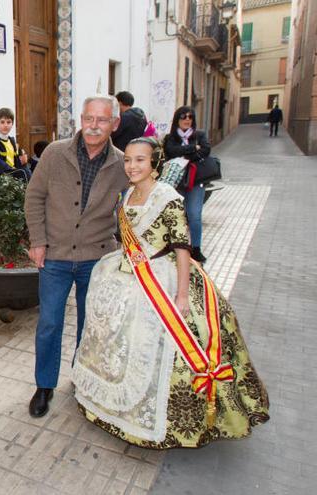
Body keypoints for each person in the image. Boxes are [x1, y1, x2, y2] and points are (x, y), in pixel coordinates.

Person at [71, 137, 269, 448]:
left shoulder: (168, 198)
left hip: (164, 278)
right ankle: (112, 404)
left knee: (162, 343)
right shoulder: (127, 195)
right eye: (128, 160)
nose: (132, 166)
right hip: (130, 273)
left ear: (155, 164)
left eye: (140, 160)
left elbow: (182, 249)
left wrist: (180, 296)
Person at [24, 95, 130, 418]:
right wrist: (38, 241)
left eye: (101, 120)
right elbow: (34, 197)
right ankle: (45, 385)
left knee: (90, 325)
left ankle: (82, 379)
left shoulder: (122, 164)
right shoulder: (55, 154)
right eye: (88, 118)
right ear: (80, 120)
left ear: (115, 124)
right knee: (49, 323)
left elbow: (134, 209)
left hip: (97, 259)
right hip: (54, 255)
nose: (93, 126)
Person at [163, 106, 210, 263]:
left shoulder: (200, 135)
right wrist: (192, 149)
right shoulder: (170, 137)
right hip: (176, 183)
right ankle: (176, 248)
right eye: (183, 116)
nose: (187, 119)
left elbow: (205, 151)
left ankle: (196, 249)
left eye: (190, 117)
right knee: (177, 217)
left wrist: (184, 152)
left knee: (194, 215)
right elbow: (170, 151)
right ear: (177, 119)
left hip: (196, 182)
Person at [0, 107, 31, 181]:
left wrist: (23, 162)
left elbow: (19, 162)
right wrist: (17, 172)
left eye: (8, 122)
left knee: (30, 171)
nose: (6, 125)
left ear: (12, 124)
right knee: (23, 173)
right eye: (2, 122)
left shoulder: (12, 141)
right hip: (0, 180)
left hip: (13, 177)